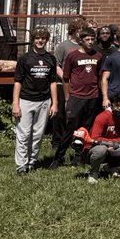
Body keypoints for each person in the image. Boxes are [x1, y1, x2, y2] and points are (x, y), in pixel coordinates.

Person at [50, 29, 103, 167]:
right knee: (70, 128)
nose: (90, 42)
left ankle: (80, 156)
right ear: (81, 40)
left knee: (85, 129)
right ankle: (59, 157)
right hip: (76, 96)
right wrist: (68, 98)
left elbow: (99, 77)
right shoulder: (72, 56)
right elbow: (66, 78)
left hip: (92, 96)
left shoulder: (98, 56)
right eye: (87, 39)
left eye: (92, 39)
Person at [11, 27, 59, 175]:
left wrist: (55, 103)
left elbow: (53, 82)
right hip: (26, 100)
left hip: (44, 101)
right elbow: (18, 81)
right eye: (37, 38)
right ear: (33, 40)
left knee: (38, 134)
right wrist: (15, 103)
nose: (40, 41)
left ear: (46, 40)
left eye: (43, 38)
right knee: (24, 134)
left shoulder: (51, 59)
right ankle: (21, 165)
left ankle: (32, 162)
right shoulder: (25, 58)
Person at [85, 99, 120, 183]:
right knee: (101, 150)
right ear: (111, 105)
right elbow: (95, 138)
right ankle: (93, 173)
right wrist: (117, 141)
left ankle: (111, 166)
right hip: (95, 148)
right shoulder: (102, 117)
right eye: (117, 105)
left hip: (114, 148)